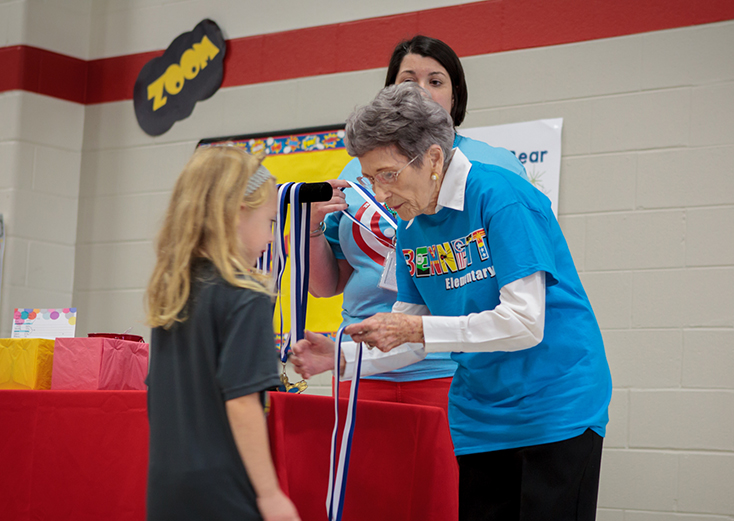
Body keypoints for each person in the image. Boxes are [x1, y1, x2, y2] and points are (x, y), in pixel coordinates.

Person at [291, 83, 612, 521]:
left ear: (434, 159)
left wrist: (417, 330)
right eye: (370, 180)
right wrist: (340, 357)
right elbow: (407, 331)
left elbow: (524, 322)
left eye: (388, 175)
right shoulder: (411, 225)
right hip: (480, 416)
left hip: (553, 406)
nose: (381, 194)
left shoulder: (501, 196)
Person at [309, 35, 527, 411]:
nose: (421, 92)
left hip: (455, 364)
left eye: (436, 81)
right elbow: (328, 285)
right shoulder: (356, 171)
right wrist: (310, 228)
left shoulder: (492, 171)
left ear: (455, 96)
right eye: (408, 81)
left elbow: (525, 305)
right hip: (369, 360)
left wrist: (421, 331)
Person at [144, 146, 300, 521]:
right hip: (223, 489)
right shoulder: (245, 295)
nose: (271, 239)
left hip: (167, 487)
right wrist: (270, 496)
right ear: (235, 216)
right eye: (270, 223)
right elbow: (242, 403)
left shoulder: (174, 290)